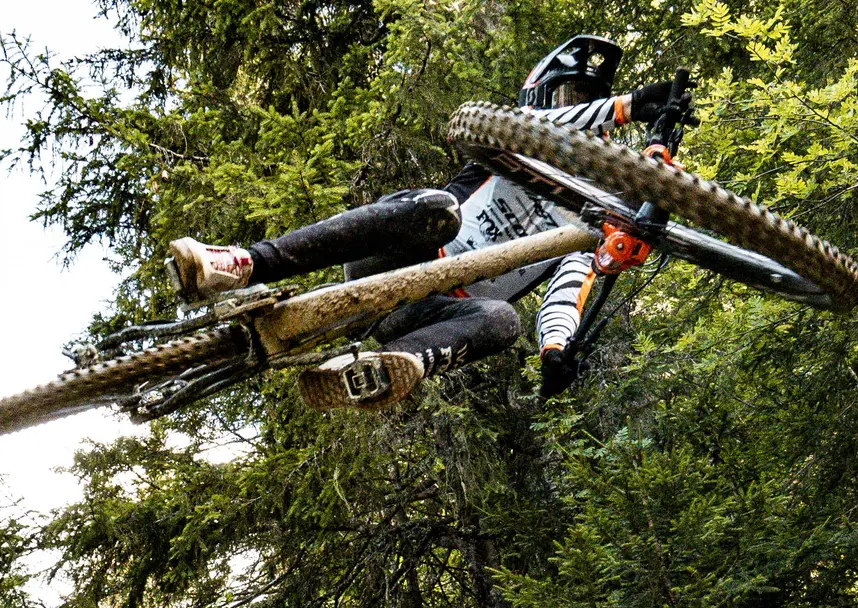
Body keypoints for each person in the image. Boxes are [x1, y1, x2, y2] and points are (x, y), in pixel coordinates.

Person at [165, 35, 692, 411]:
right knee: (438, 208)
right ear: (540, 96)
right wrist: (626, 106)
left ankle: (379, 370)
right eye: (574, 100)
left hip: (430, 314)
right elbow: (540, 127)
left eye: (592, 105)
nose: (587, 116)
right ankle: (243, 263)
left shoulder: (587, 213)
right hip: (403, 255)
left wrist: (555, 349)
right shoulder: (513, 143)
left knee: (505, 323)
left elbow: (569, 288)